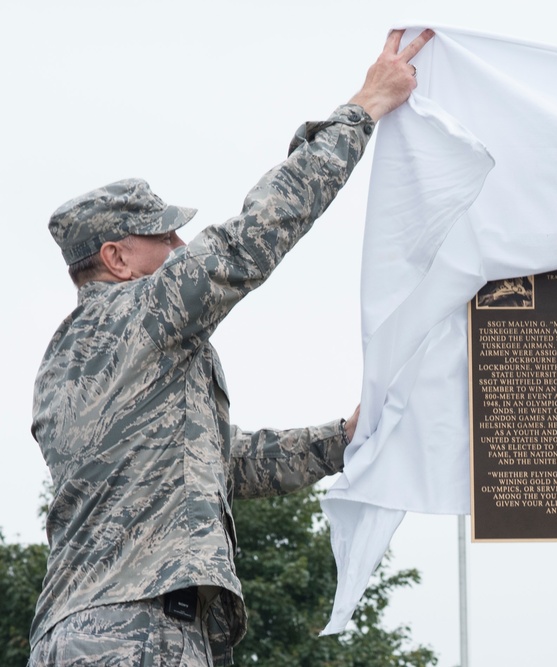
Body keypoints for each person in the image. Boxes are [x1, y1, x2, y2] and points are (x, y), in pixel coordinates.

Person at [28, 28, 434, 666]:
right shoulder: (137, 316)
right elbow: (255, 234)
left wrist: (340, 439)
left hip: (96, 631)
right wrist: (364, 109)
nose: (182, 249)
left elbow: (218, 464)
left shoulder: (79, 358)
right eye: (165, 236)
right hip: (137, 634)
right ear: (117, 257)